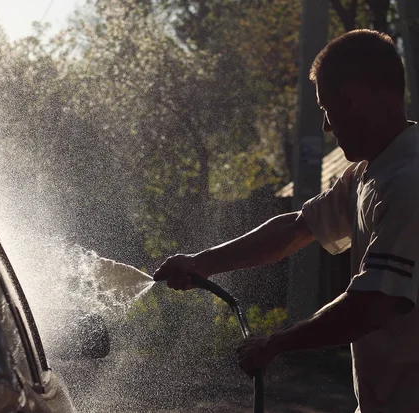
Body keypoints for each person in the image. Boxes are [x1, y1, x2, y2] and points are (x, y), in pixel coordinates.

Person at [153, 29, 419, 413]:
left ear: (352, 99)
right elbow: (294, 230)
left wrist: (276, 343)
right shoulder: (369, 171)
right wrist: (200, 263)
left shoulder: (409, 181)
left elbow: (370, 306)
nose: (327, 126)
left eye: (327, 109)